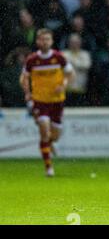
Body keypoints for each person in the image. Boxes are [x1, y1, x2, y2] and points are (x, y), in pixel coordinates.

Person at [19, 28, 75, 177]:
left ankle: (50, 143)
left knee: (55, 136)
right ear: (37, 41)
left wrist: (63, 85)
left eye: (47, 39)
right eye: (42, 39)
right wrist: (28, 93)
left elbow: (70, 74)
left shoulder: (59, 57)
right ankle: (49, 168)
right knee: (44, 131)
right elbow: (24, 78)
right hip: (40, 101)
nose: (44, 42)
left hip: (57, 101)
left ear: (51, 41)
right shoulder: (32, 60)